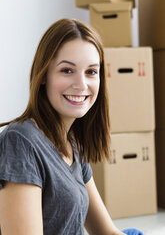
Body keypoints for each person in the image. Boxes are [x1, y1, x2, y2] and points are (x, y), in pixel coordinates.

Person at [0, 18, 142, 235]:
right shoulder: (20, 142)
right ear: (44, 75)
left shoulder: (72, 143)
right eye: (67, 70)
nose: (81, 85)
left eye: (91, 72)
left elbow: (106, 232)